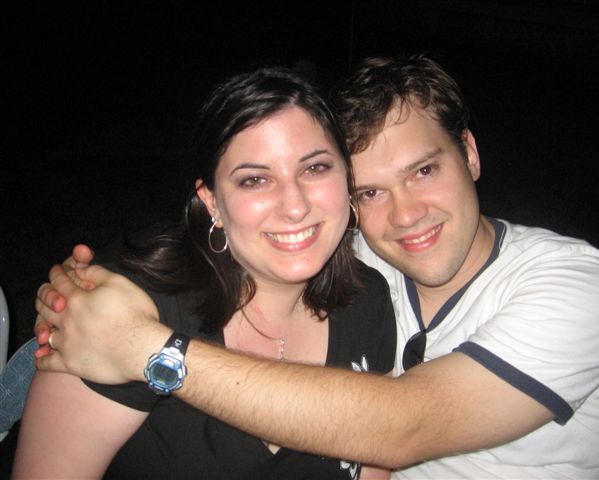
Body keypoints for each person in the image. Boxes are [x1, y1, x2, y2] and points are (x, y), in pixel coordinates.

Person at [26, 54, 599, 478]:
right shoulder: (354, 265)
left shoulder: (574, 286)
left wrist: (145, 350)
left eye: (425, 170)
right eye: (370, 191)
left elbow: (403, 429)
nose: (406, 215)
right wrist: (80, 300)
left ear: (470, 154)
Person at [13, 67, 396, 479]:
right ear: (212, 201)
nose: (295, 206)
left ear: (346, 177)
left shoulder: (368, 301)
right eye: (255, 180)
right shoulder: (121, 312)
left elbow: (377, 455)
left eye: (315, 168)